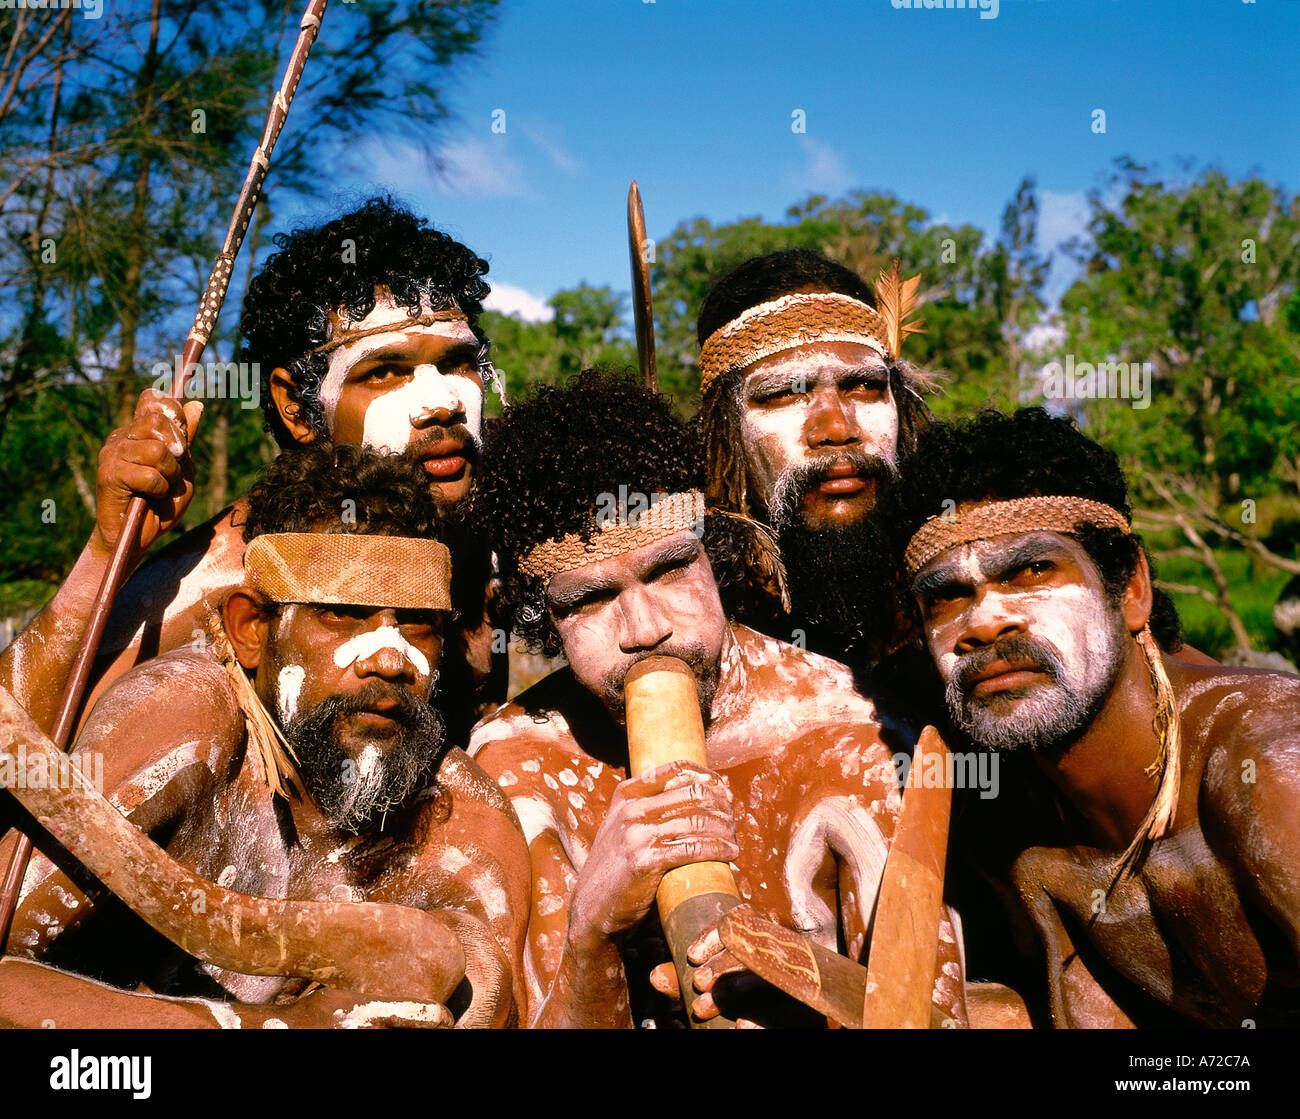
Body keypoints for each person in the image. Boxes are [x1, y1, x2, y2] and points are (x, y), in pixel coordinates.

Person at [468, 370, 967, 1028]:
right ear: (545, 620)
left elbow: (932, 1017)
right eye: (590, 599)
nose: (645, 630)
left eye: (669, 569)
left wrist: (807, 985)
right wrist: (591, 933)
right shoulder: (517, 763)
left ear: (714, 555)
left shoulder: (851, 729)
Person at [0, 446, 529, 1028]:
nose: (390, 658)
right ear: (252, 629)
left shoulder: (462, 815)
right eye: (344, 613)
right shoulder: (188, 719)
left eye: (418, 624)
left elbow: (488, 999)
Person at [0, 197, 500, 734]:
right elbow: (16, 751)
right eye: (384, 372)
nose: (441, 402)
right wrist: (104, 553)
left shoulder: (490, 543)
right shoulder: (240, 575)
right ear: (296, 407)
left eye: (457, 363)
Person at [884, 408, 1300, 1027]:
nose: (984, 622)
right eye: (946, 597)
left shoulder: (1268, 761)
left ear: (1130, 588)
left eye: (1032, 570)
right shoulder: (1023, 846)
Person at [694, 249, 933, 668]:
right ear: (726, 434)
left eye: (863, 386)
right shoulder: (690, 627)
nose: (838, 430)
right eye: (784, 393)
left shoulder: (966, 599)